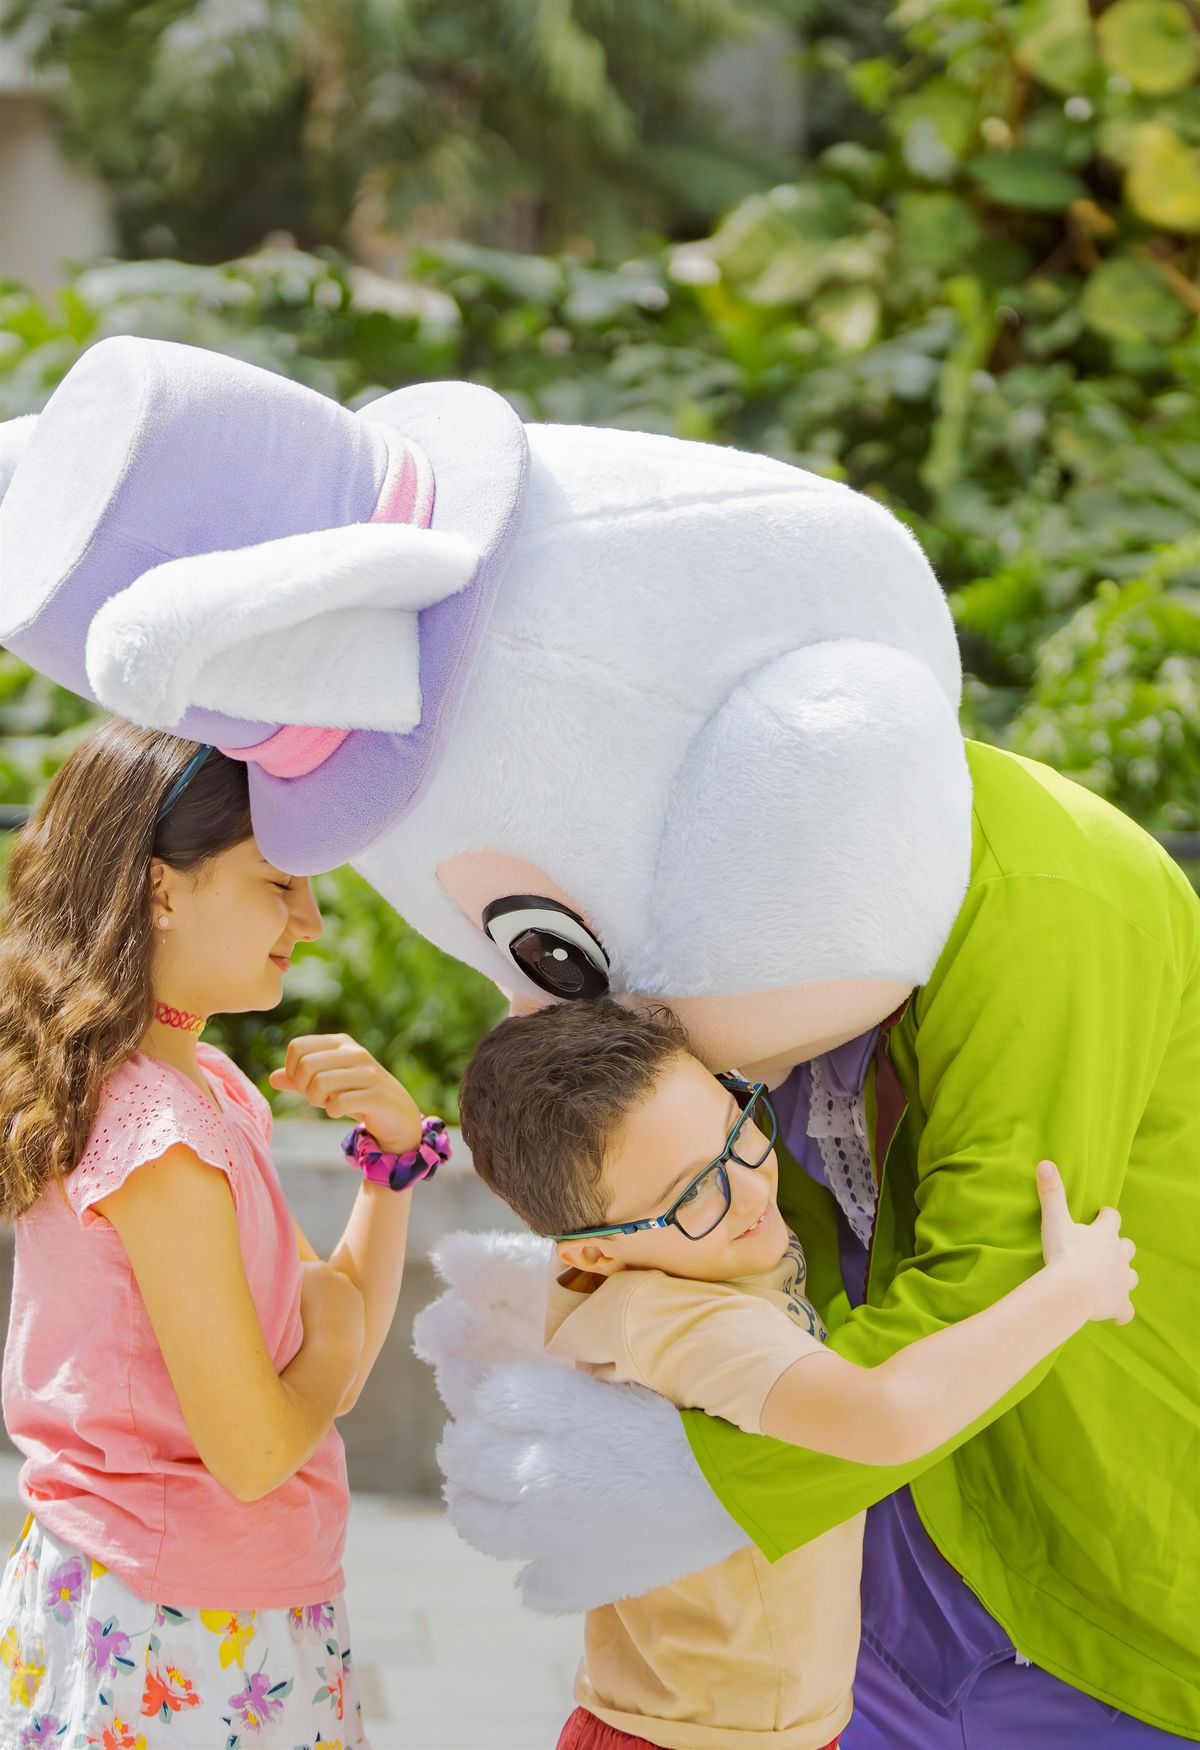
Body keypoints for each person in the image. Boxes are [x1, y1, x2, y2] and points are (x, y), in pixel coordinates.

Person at [457, 998, 1139, 1750]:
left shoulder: (689, 1253)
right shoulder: (684, 1321)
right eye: (693, 1193)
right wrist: (1074, 1290)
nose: (750, 1189)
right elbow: (885, 1418)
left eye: (736, 1128)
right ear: (596, 1251)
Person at [0, 719, 447, 1749]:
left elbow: (319, 1372)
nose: (312, 920)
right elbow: (257, 1448)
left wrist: (393, 1160)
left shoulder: (202, 1085)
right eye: (279, 881)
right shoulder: (158, 1135)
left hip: (215, 1610)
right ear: (162, 890)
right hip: (179, 1632)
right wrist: (333, 1332)